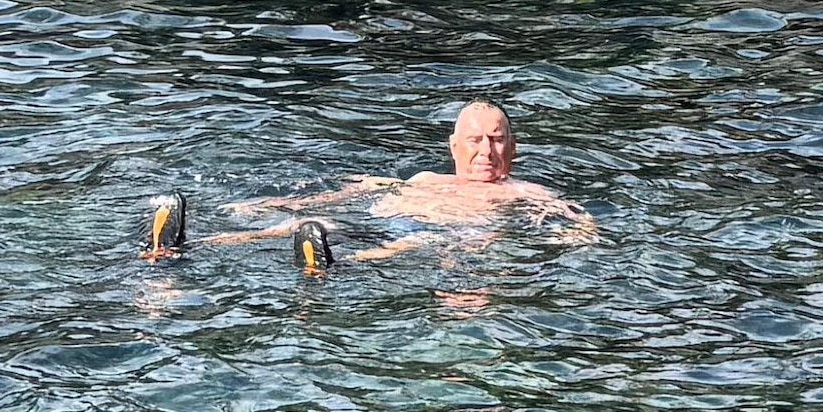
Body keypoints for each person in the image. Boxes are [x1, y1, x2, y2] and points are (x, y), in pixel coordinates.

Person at [231, 100, 596, 260]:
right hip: (385, 222)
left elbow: (574, 217)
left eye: (496, 139)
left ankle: (334, 267)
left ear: (513, 147)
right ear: (454, 147)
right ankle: (210, 241)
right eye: (475, 140)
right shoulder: (427, 178)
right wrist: (284, 204)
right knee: (308, 222)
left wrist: (578, 234)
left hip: (439, 236)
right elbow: (359, 188)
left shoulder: (522, 191)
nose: (486, 150)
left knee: (412, 242)